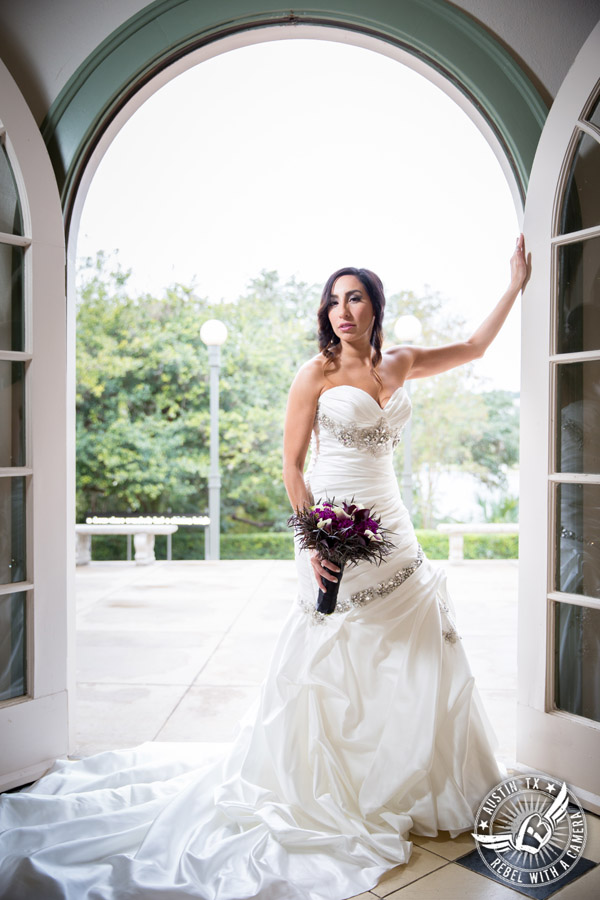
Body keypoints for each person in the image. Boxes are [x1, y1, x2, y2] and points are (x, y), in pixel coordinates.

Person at [0, 236, 528, 900]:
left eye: (354, 297)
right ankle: (336, 787)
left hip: (394, 529)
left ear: (375, 305)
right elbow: (291, 464)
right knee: (332, 662)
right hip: (335, 530)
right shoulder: (317, 374)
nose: (342, 310)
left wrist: (513, 284)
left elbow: (477, 348)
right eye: (332, 301)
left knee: (421, 654)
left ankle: (414, 782)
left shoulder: (403, 365)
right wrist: (314, 545)